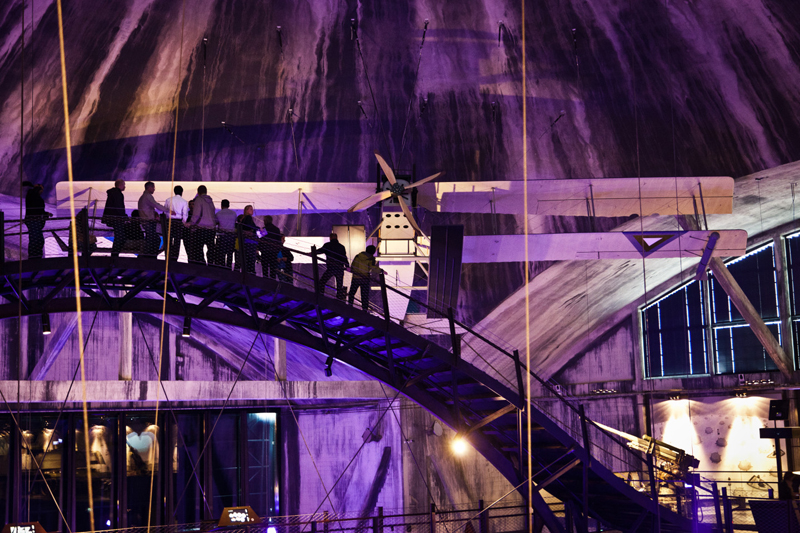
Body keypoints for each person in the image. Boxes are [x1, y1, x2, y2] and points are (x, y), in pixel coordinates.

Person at [137, 181, 170, 257]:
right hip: (148, 222)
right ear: (149, 187)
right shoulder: (148, 196)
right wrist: (167, 210)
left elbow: (150, 208)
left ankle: (148, 256)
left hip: (146, 222)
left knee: (150, 239)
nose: (154, 189)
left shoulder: (143, 197)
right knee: (154, 240)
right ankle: (150, 256)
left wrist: (154, 213)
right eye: (153, 187)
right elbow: (156, 204)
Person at [186, 185, 217, 265]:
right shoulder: (211, 202)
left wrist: (190, 223)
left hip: (201, 228)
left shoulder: (199, 200)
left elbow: (196, 214)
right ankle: (211, 266)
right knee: (211, 249)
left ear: (198, 192)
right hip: (211, 229)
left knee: (198, 249)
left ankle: (201, 267)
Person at [348, 245, 381, 311]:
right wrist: (381, 270)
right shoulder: (371, 258)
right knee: (364, 295)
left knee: (352, 293)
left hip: (356, 277)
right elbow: (372, 267)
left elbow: (353, 265)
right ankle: (364, 309)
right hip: (365, 278)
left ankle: (350, 306)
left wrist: (353, 271)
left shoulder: (358, 256)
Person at [23, 181, 51, 259]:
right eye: (41, 190)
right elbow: (36, 210)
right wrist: (44, 215)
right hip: (34, 221)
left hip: (33, 220)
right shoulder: (34, 196)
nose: (41, 192)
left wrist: (45, 214)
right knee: (37, 240)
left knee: (35, 239)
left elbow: (36, 209)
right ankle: (35, 257)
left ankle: (35, 256)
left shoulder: (31, 196)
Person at [102, 178, 128, 257]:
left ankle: (114, 255)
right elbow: (119, 207)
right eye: (124, 185)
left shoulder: (112, 193)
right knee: (120, 237)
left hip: (112, 218)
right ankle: (115, 255)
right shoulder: (118, 194)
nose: (125, 187)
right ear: (120, 185)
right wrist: (124, 216)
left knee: (118, 236)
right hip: (117, 219)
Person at [318, 233, 348, 300]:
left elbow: (320, 251)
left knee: (322, 282)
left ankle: (321, 296)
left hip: (331, 267)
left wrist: (312, 252)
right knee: (339, 285)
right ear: (337, 238)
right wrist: (347, 266)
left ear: (330, 238)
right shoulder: (341, 247)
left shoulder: (328, 245)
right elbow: (344, 257)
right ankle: (339, 299)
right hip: (340, 268)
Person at [164, 185, 189, 259]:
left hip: (169, 222)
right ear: (182, 192)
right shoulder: (184, 201)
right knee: (177, 241)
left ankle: (168, 257)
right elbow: (185, 214)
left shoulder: (168, 200)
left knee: (169, 239)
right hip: (178, 222)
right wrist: (184, 223)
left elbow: (165, 211)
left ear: (174, 192)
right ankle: (175, 258)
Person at [215, 199, 237, 268]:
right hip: (231, 236)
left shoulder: (218, 214)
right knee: (230, 253)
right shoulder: (233, 213)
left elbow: (216, 223)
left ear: (221, 205)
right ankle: (229, 267)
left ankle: (222, 268)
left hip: (222, 236)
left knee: (221, 254)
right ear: (229, 205)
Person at [238, 205, 258, 274]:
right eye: (250, 209)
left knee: (247, 258)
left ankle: (248, 272)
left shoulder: (244, 218)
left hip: (246, 241)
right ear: (246, 210)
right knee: (251, 258)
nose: (252, 210)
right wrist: (259, 229)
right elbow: (251, 227)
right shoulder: (248, 217)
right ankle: (251, 272)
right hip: (250, 241)